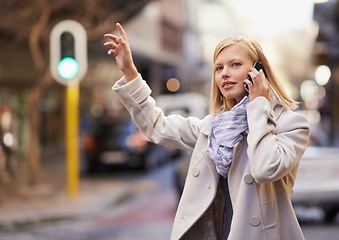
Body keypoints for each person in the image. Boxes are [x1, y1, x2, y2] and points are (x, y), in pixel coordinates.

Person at [104, 23, 310, 240]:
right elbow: (157, 126)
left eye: (235, 64)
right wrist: (129, 72)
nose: (225, 74)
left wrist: (258, 105)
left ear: (258, 71)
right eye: (219, 68)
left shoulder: (291, 124)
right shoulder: (213, 128)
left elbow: (265, 169)